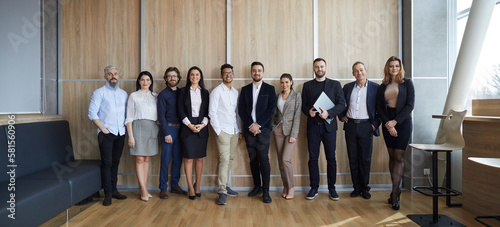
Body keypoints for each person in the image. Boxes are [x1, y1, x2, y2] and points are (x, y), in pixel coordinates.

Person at [301, 58, 345, 201]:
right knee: (313, 158)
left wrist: (329, 113)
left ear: (326, 67)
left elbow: (341, 104)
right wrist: (309, 112)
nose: (319, 69)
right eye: (317, 67)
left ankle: (332, 188)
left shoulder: (335, 84)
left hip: (329, 127)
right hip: (313, 127)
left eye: (322, 66)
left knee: (331, 158)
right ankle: (314, 188)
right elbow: (303, 105)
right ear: (313, 69)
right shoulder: (307, 86)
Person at [376, 56, 414, 210]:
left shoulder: (407, 83)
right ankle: (396, 188)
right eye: (391, 66)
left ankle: (393, 194)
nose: (394, 68)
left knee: (398, 156)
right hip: (387, 123)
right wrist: (388, 123)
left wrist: (395, 122)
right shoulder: (382, 86)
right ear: (388, 68)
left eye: (396, 66)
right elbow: (379, 107)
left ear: (400, 67)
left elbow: (410, 105)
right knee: (391, 155)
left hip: (403, 123)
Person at [339, 61, 381, 200]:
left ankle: (365, 188)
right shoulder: (347, 87)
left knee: (365, 159)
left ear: (366, 71)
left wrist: (374, 125)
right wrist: (341, 116)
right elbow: (339, 104)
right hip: (350, 126)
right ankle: (356, 188)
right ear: (353, 73)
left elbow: (381, 109)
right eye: (356, 71)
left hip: (366, 126)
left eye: (361, 70)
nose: (359, 73)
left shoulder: (376, 88)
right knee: (353, 158)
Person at [88, 65, 128, 206]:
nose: (113, 76)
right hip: (106, 134)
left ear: (118, 76)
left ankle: (115, 190)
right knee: (107, 164)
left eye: (115, 73)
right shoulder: (99, 93)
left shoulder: (124, 94)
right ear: (105, 76)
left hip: (121, 133)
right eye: (110, 74)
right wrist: (104, 130)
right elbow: (92, 113)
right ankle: (108, 194)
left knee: (115, 163)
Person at [238, 61, 276, 203]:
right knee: (252, 158)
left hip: (263, 130)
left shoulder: (269, 89)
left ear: (263, 72)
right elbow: (241, 110)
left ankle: (266, 191)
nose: (256, 73)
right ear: (251, 73)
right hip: (249, 130)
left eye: (259, 70)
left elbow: (271, 110)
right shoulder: (245, 89)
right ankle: (257, 186)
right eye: (254, 71)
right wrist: (251, 125)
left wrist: (258, 125)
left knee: (263, 159)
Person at [209, 63, 241, 205]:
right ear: (221, 75)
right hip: (223, 131)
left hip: (234, 131)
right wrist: (218, 131)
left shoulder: (235, 92)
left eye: (231, 73)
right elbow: (212, 113)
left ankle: (226, 186)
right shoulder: (216, 91)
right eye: (226, 73)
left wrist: (239, 130)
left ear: (233, 75)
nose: (228, 75)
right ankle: (222, 191)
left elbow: (236, 113)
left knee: (230, 159)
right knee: (224, 160)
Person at [125, 71, 159, 202]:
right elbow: (129, 117)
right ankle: (143, 188)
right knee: (139, 158)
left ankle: (144, 187)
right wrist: (130, 136)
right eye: (143, 80)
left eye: (148, 80)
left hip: (152, 127)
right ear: (139, 81)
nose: (145, 82)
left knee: (147, 158)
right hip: (137, 127)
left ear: (151, 82)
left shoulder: (155, 96)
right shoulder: (133, 96)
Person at [178, 66, 210, 200]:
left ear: (200, 76)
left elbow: (209, 112)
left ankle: (198, 186)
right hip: (187, 127)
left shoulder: (205, 93)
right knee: (189, 158)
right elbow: (180, 110)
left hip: (201, 128)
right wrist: (190, 125)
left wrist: (202, 125)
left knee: (199, 158)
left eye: (197, 74)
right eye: (192, 74)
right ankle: (190, 187)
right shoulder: (183, 91)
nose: (194, 77)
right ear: (189, 77)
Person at [157, 67, 187, 199]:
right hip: (168, 130)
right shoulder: (163, 95)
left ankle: (175, 185)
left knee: (178, 159)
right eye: (169, 76)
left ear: (178, 78)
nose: (172, 78)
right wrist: (166, 133)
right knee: (165, 159)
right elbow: (161, 116)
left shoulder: (183, 93)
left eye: (174, 76)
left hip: (182, 130)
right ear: (165, 79)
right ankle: (163, 188)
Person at [271, 73, 302, 200]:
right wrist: (273, 127)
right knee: (280, 161)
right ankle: (285, 186)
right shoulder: (277, 96)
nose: (284, 85)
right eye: (282, 82)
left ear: (291, 82)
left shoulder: (296, 96)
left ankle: (291, 187)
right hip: (278, 130)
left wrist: (294, 134)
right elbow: (274, 113)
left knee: (285, 159)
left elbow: (297, 116)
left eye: (287, 82)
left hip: (290, 131)